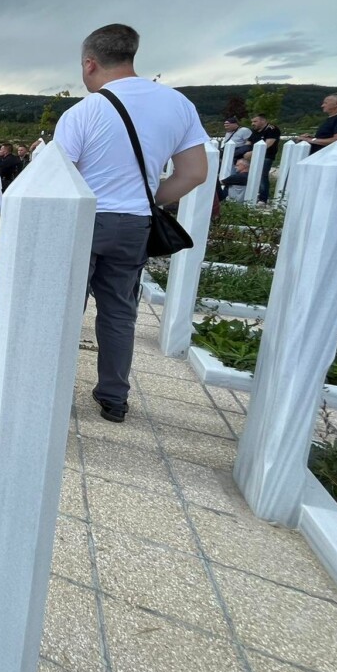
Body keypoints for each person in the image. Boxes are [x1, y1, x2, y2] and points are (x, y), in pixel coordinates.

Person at [53, 23, 208, 423]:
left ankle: (51, 391)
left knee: (66, 309)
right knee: (120, 312)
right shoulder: (179, 105)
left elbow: (56, 179)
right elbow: (194, 173)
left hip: (85, 222)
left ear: (90, 63)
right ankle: (114, 398)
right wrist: (147, 197)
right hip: (135, 224)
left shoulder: (83, 112)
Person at [245, 114, 281, 203]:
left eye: (255, 121)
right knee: (250, 174)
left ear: (263, 121)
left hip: (266, 156)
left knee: (262, 176)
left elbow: (268, 144)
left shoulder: (272, 129)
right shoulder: (255, 131)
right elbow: (249, 142)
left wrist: (252, 152)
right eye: (252, 122)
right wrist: (244, 151)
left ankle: (263, 198)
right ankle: (253, 194)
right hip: (253, 157)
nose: (253, 124)